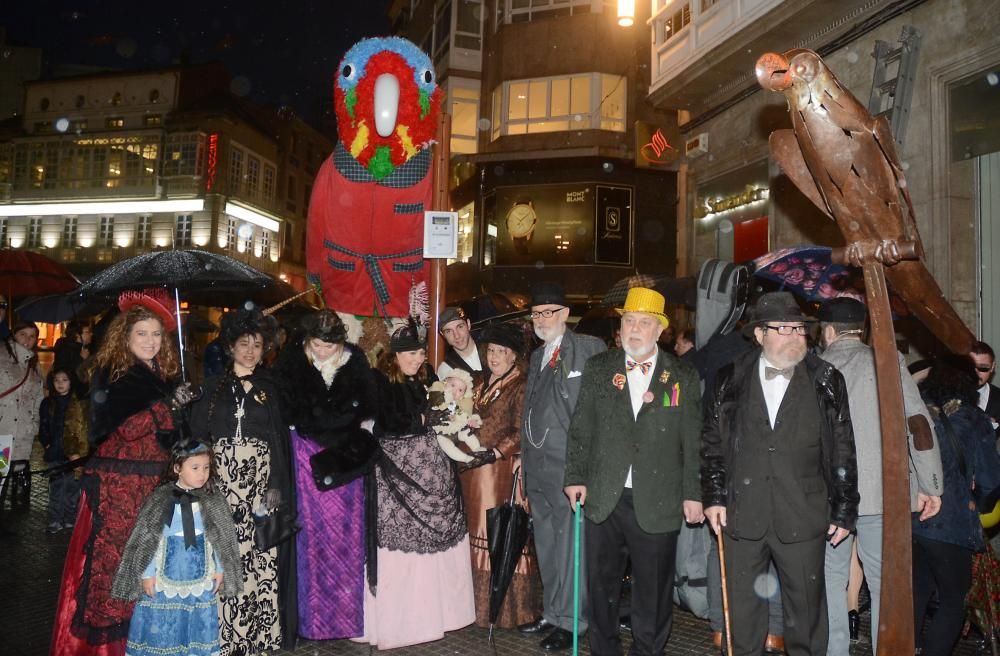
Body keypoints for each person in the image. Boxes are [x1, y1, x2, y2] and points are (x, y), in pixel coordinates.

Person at [702, 291, 859, 656]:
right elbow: (712, 443)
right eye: (782, 328)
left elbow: (844, 447)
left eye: (798, 328)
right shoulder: (730, 379)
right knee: (743, 621)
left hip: (803, 513)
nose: (792, 335)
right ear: (759, 334)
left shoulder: (826, 379)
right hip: (742, 514)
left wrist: (845, 509)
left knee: (806, 616)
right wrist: (713, 496)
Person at [50, 288, 196, 656]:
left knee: (151, 563)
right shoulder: (111, 372)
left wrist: (182, 416)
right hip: (118, 484)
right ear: (125, 336)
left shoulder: (163, 374)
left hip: (152, 484)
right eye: (141, 334)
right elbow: (113, 431)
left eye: (156, 334)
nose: (150, 341)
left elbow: (170, 435)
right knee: (116, 565)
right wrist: (166, 408)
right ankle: (110, 647)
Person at [564, 287, 704, 656]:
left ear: (661, 331)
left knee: (654, 591)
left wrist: (694, 493)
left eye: (645, 323)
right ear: (620, 327)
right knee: (601, 589)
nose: (635, 329)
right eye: (629, 321)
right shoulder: (599, 369)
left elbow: (693, 441)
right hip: (603, 496)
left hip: (658, 499)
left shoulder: (682, 377)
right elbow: (581, 428)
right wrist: (575, 477)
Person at [817, 297, 943, 656]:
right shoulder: (886, 361)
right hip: (880, 493)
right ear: (862, 329)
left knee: (830, 582)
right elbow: (918, 424)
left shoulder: (814, 367)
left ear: (827, 331)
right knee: (886, 586)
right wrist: (928, 484)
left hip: (828, 499)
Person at [357, 319, 475, 649]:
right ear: (393, 356)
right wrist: (425, 418)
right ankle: (404, 622)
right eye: (409, 353)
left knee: (436, 545)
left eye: (421, 352)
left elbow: (442, 409)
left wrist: (450, 406)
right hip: (398, 478)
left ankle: (440, 614)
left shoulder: (427, 376)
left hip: (432, 474)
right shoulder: (378, 380)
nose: (417, 359)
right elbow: (387, 424)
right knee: (402, 546)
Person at [189, 307, 297, 653]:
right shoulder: (210, 388)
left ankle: (256, 636)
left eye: (257, 344)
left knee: (256, 561)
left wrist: (275, 487)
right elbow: (196, 436)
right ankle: (222, 636)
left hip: (258, 488)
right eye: (243, 343)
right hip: (220, 486)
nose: (250, 351)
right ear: (230, 346)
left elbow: (280, 443)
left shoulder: (272, 389)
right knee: (222, 558)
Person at [272, 309, 376, 641]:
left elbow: (369, 409)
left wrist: (356, 436)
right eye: (316, 344)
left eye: (328, 346)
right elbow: (285, 409)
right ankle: (309, 622)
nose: (321, 351)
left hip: (343, 461)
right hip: (305, 456)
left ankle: (344, 621)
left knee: (346, 539)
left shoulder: (356, 363)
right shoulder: (291, 364)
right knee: (309, 539)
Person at [521, 282, 607, 651]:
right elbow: (529, 415)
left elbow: (598, 413)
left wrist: (585, 470)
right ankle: (553, 612)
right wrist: (525, 472)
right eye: (537, 314)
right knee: (547, 544)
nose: (542, 320)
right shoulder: (536, 356)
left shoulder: (589, 349)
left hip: (571, 470)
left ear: (565, 315)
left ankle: (574, 622)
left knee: (572, 546)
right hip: (539, 468)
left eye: (549, 312)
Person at [110, 441, 241, 656]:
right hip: (164, 576)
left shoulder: (212, 499)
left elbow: (219, 537)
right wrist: (147, 573)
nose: (202, 474)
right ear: (177, 468)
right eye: (195, 467)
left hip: (200, 575)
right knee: (162, 623)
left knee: (195, 622)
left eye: (207, 467)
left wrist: (220, 568)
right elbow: (148, 539)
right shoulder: (161, 498)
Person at [913, 355, 1000, 656]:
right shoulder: (975, 419)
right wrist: (979, 503)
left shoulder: (917, 412)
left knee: (918, 592)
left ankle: (909, 646)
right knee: (953, 601)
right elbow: (990, 479)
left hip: (912, 518)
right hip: (952, 523)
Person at [459, 322, 541, 628]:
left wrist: (496, 451)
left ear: (514, 356)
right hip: (474, 473)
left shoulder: (519, 385)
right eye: (491, 350)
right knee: (477, 534)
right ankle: (477, 610)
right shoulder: (481, 383)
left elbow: (522, 430)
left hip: (500, 474)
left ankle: (508, 612)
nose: (494, 357)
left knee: (497, 535)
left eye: (501, 352)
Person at [1, 320, 44, 510]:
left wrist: (34, 424)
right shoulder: (1, 355)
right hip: (2, 433)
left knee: (13, 480)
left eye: (32, 335)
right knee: (0, 476)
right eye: (22, 334)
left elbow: (39, 399)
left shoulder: (34, 364)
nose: (27, 339)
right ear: (13, 335)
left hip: (23, 435)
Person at [39, 368, 88, 532]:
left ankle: (69, 519)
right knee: (56, 489)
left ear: (71, 382)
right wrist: (47, 443)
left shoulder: (78, 403)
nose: (60, 383)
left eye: (64, 380)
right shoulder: (48, 403)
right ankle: (54, 520)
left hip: (73, 454)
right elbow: (43, 426)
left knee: (72, 490)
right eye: (57, 380)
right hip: (54, 452)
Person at [436, 306, 483, 379]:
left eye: (460, 327)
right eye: (449, 331)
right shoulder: (446, 370)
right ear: (443, 335)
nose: (457, 336)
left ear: (468, 324)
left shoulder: (491, 349)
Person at [54, 320, 94, 398]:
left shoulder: (85, 349)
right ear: (77, 335)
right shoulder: (65, 349)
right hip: (71, 396)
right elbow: (64, 373)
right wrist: (81, 359)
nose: (91, 334)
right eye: (87, 332)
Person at [970, 341, 1000, 437]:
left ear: (992, 367)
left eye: (983, 368)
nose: (976, 373)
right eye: (971, 367)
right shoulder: (946, 395)